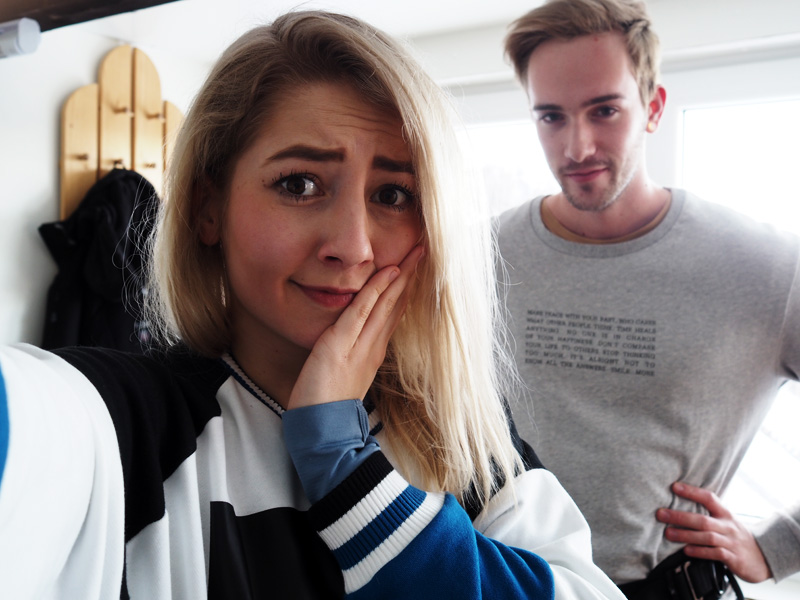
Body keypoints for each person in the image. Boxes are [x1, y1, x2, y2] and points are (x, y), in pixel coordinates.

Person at [0, 10, 626, 600]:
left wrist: (343, 464)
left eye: (393, 194)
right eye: (299, 184)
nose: (351, 246)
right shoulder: (125, 426)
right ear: (208, 207)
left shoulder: (458, 433)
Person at [496, 0, 800, 597]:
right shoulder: (478, 257)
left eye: (604, 110)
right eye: (551, 117)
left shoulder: (767, 267)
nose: (577, 147)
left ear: (653, 108)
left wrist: (778, 547)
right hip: (502, 580)